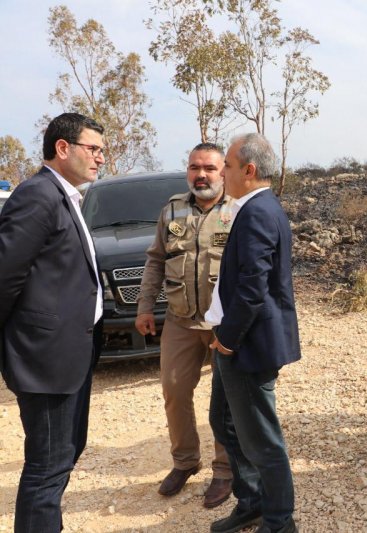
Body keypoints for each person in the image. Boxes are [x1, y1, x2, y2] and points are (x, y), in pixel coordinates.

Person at [0, 113, 105, 531]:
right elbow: (4, 276)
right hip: (45, 361)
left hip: (69, 353)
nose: (100, 158)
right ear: (63, 148)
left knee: (63, 455)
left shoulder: (64, 196)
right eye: (93, 149)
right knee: (47, 466)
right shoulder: (38, 196)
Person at [206, 133, 300, 533]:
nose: (221, 173)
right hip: (235, 339)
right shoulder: (254, 207)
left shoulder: (258, 211)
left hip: (246, 344)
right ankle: (253, 502)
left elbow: (253, 287)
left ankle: (279, 521)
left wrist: (228, 338)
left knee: (261, 438)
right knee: (225, 421)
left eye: (226, 165)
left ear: (249, 169)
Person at [136, 142, 235, 507]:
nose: (201, 175)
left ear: (223, 171)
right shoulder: (173, 209)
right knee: (175, 390)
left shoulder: (238, 209)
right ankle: (185, 461)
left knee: (226, 398)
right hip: (180, 320)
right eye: (194, 167)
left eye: (209, 168)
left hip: (224, 323)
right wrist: (145, 307)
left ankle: (225, 470)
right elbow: (155, 261)